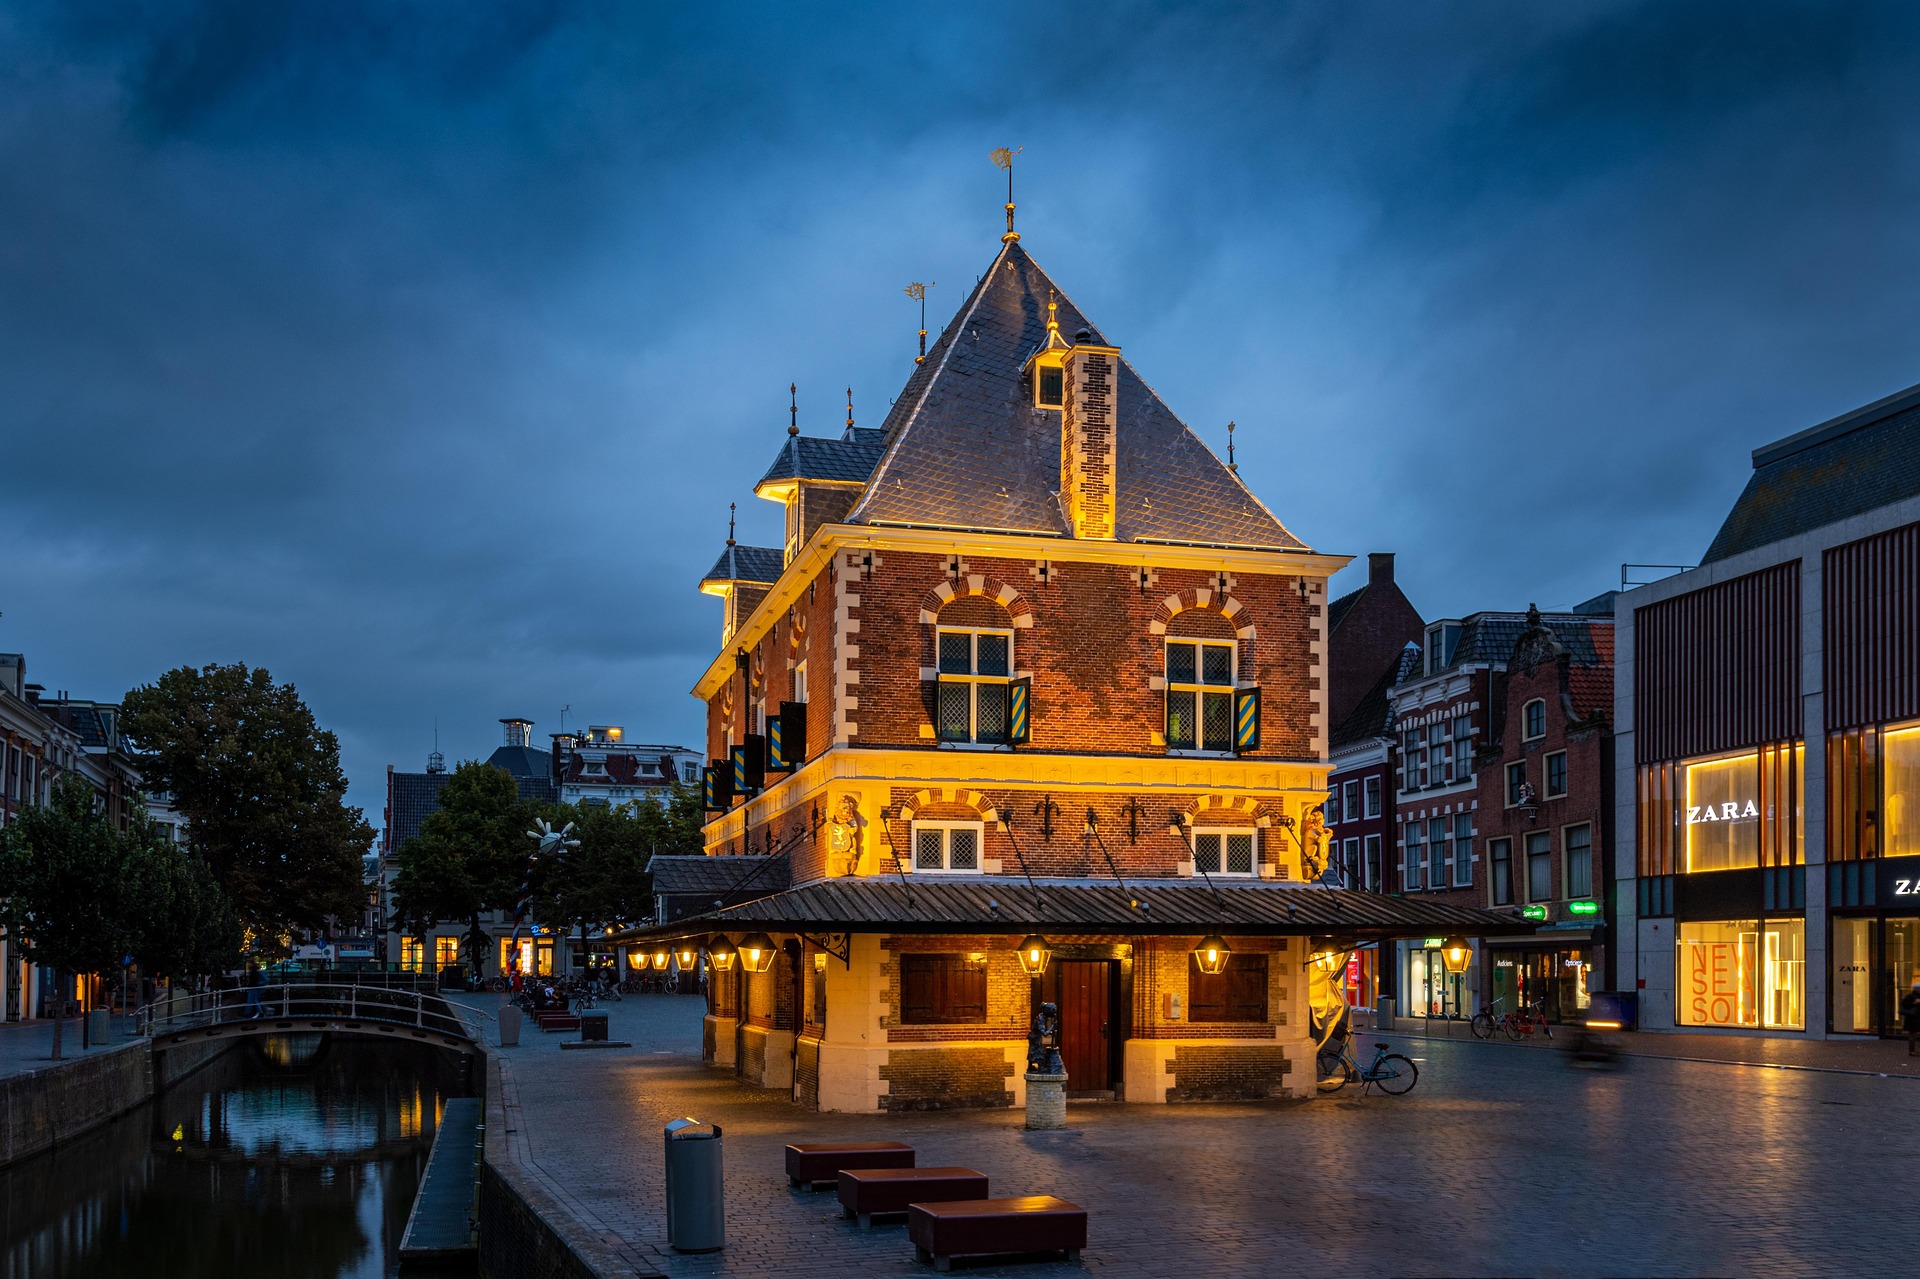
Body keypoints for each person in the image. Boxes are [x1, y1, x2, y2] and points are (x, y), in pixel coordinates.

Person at [1901, 975, 1920, 1057]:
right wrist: (1914, 1003)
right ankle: (1912, 1050)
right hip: (1913, 1019)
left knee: (1913, 1035)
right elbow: (1905, 1005)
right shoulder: (1910, 997)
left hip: (1916, 1018)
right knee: (1912, 1035)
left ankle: (1915, 1050)